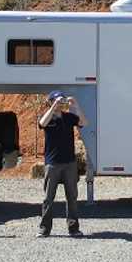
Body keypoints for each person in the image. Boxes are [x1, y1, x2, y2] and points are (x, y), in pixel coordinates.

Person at [38, 91, 87, 238]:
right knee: (48, 198)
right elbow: (42, 123)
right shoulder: (48, 118)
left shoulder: (69, 118)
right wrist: (53, 107)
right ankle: (44, 229)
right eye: (56, 101)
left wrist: (76, 105)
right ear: (51, 101)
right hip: (52, 164)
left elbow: (84, 122)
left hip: (69, 163)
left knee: (72, 197)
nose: (60, 104)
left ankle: (73, 228)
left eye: (61, 101)